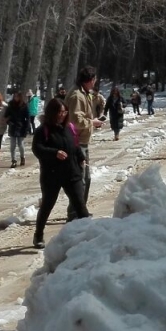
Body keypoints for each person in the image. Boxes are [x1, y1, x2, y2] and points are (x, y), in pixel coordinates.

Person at [32, 98, 90, 247]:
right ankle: (38, 234)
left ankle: (90, 235)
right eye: (60, 112)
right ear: (52, 112)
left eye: (65, 112)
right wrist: (54, 153)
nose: (62, 115)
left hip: (72, 173)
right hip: (52, 175)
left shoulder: (69, 127)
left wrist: (80, 157)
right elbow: (37, 149)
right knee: (47, 205)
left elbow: (74, 145)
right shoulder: (42, 130)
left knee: (81, 206)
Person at [64, 66, 105, 220]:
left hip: (81, 141)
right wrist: (92, 122)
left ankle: (78, 210)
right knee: (81, 179)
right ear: (89, 80)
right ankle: (76, 212)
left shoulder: (84, 93)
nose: (95, 83)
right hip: (76, 142)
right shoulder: (76, 95)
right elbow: (75, 120)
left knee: (84, 178)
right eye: (93, 79)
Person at [6, 91, 32, 168]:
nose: (16, 98)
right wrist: (8, 121)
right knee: (12, 145)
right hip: (13, 126)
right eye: (15, 96)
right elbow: (6, 115)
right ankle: (13, 160)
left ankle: (22, 157)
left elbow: (28, 118)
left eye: (17, 96)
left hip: (21, 127)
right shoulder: (10, 105)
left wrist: (27, 128)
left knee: (20, 144)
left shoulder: (24, 105)